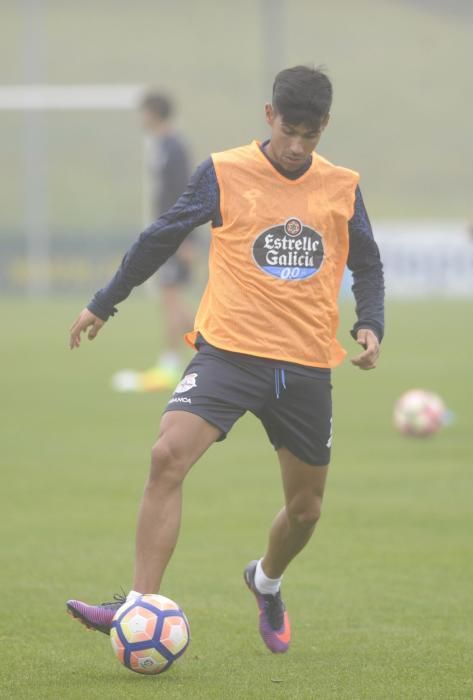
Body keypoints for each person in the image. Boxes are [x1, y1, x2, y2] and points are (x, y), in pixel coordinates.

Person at [67, 65, 384, 654]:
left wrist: (371, 321)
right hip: (229, 353)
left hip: (306, 363)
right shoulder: (223, 172)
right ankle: (139, 607)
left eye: (310, 136)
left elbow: (367, 261)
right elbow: (161, 235)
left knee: (306, 510)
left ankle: (265, 580)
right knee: (167, 456)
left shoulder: (342, 185)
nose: (296, 146)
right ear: (269, 116)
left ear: (325, 128)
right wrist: (104, 303)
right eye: (289, 130)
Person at [139, 91, 193, 387]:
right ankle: (216, 352)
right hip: (166, 232)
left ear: (154, 112)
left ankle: (170, 364)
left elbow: (185, 193)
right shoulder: (160, 146)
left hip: (175, 234)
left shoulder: (174, 148)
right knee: (171, 299)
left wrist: (185, 237)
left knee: (171, 299)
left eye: (144, 112)